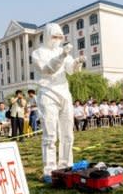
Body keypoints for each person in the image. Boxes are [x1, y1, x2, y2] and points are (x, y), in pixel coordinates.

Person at [32, 23, 85, 183]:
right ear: (47, 36)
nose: (57, 40)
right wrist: (62, 55)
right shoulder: (38, 53)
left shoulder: (63, 52)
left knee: (67, 132)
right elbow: (48, 69)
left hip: (64, 93)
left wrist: (78, 62)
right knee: (50, 133)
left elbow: (71, 70)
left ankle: (66, 165)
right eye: (54, 36)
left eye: (60, 37)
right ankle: (49, 169)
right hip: (47, 93)